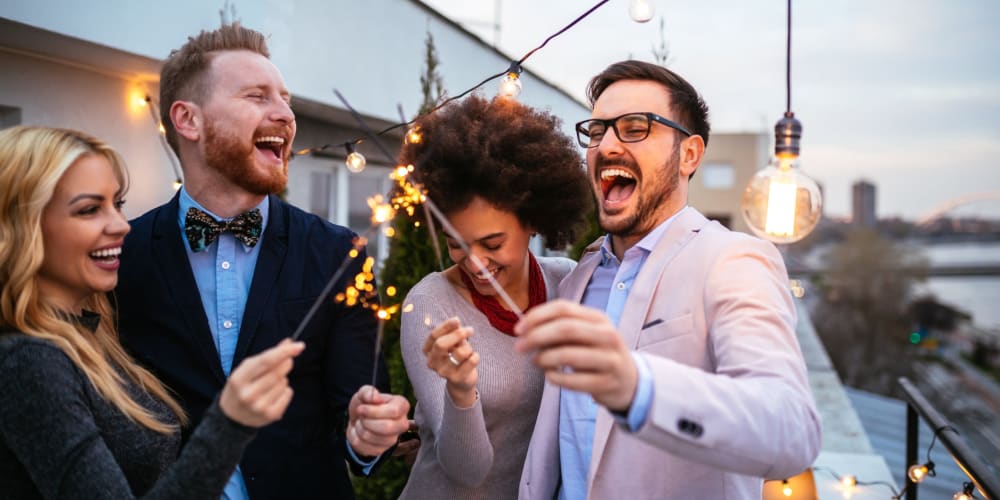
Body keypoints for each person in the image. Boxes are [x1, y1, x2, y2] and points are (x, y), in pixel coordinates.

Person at [114, 23, 410, 499]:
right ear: (188, 120)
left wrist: (368, 433)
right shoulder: (122, 256)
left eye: (285, 98)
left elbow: (358, 412)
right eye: (257, 96)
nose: (285, 115)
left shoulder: (340, 255)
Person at [514, 60, 822, 499]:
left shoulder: (733, 259)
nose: (607, 145)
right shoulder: (579, 276)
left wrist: (638, 386)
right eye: (597, 131)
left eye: (635, 127)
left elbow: (791, 430)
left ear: (689, 154)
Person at [0, 126, 305, 499]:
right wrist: (229, 422)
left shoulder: (93, 333)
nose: (120, 225)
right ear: (21, 228)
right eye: (89, 209)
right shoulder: (29, 360)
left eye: (118, 204)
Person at [396, 95, 592, 499]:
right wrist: (461, 392)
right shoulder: (430, 304)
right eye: (455, 244)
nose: (474, 263)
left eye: (492, 243)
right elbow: (466, 472)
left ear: (534, 220)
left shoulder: (567, 285)